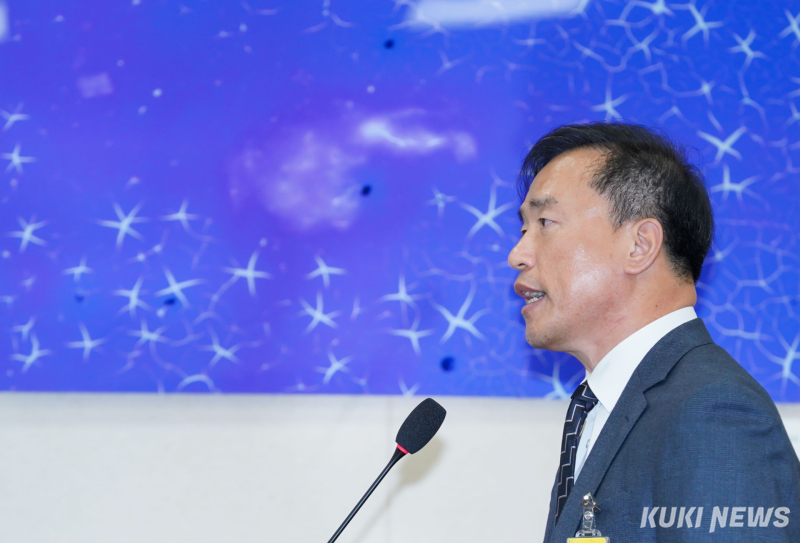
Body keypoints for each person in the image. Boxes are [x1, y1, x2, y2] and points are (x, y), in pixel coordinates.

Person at [507, 122, 800, 542]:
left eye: (545, 222)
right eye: (523, 229)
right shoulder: (604, 407)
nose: (518, 254)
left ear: (640, 245)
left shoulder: (714, 414)